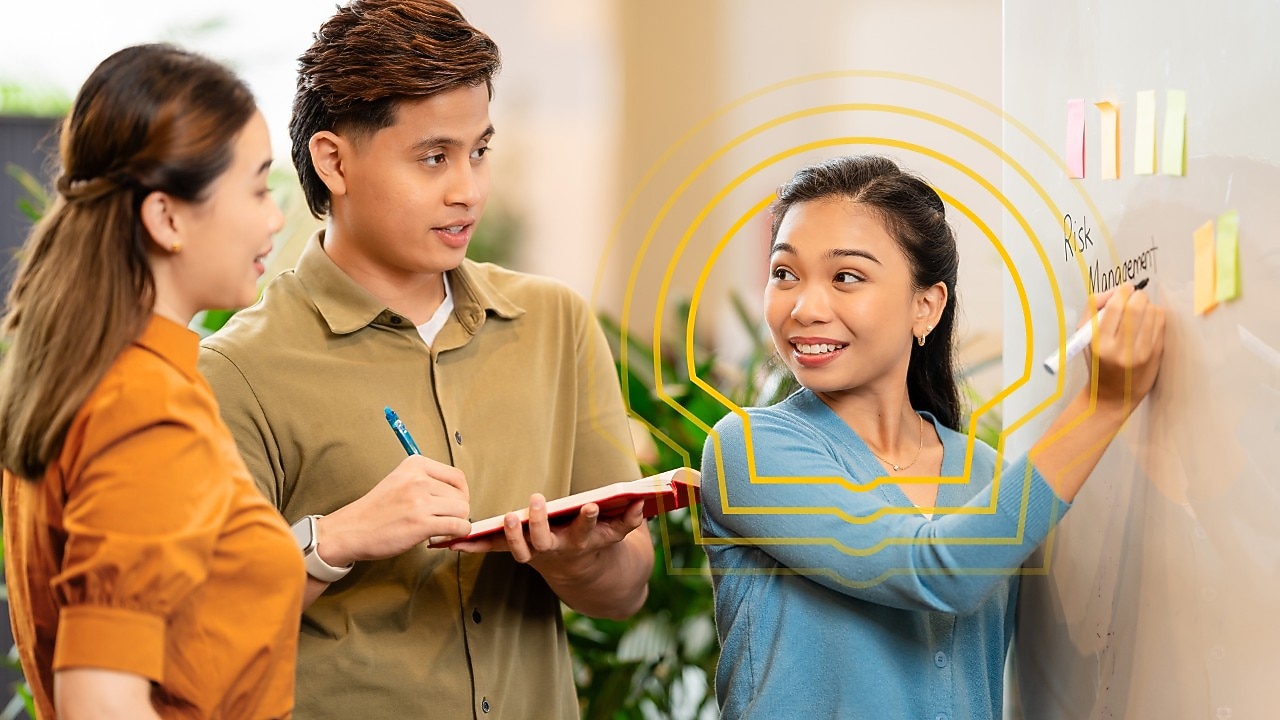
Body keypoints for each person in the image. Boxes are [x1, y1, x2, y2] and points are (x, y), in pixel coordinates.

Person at [196, 1, 653, 717]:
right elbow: (207, 629)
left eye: (479, 152)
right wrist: (338, 539)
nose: (467, 190)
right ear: (334, 161)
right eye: (434, 157)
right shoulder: (238, 371)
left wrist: (580, 559)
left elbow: (627, 593)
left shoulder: (555, 325)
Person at [699, 155, 1166, 719]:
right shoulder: (749, 450)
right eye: (784, 273)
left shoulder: (984, 473)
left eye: (846, 276)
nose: (804, 306)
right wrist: (1102, 405)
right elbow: (942, 571)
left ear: (926, 306)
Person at [0, 44, 301, 719]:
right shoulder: (145, 406)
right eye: (257, 188)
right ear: (166, 219)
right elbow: (99, 699)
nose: (275, 217)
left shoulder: (93, 376)